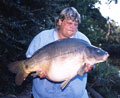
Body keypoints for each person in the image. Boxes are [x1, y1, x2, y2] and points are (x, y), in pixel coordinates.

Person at [26, 7, 93, 98]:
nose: (73, 27)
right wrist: (36, 72)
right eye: (69, 23)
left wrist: (90, 67)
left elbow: (92, 63)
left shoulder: (83, 40)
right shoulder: (42, 37)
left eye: (75, 24)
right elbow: (29, 61)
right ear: (60, 21)